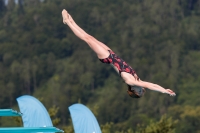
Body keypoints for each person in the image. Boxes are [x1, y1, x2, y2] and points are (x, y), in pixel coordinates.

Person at [61, 9, 176, 98]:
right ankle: (71, 21)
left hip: (107, 58)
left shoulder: (130, 81)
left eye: (140, 91)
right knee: (91, 37)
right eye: (142, 91)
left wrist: (164, 92)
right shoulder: (137, 80)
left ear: (134, 90)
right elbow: (152, 85)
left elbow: (149, 86)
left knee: (88, 39)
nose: (141, 89)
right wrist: (165, 89)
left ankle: (68, 22)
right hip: (112, 54)